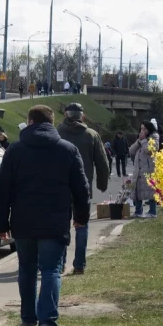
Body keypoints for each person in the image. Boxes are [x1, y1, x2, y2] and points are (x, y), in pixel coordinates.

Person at [0, 105, 90, 326]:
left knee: (26, 269)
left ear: (29, 122)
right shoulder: (68, 150)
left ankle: (28, 318)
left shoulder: (15, 151)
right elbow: (81, 188)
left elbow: (3, 189)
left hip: (23, 221)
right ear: (51, 122)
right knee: (51, 270)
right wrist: (81, 217)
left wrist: (1, 223)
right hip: (55, 221)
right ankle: (48, 322)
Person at [57, 102, 110, 274]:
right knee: (82, 225)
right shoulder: (92, 135)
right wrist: (102, 184)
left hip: (60, 187)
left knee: (62, 226)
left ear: (66, 115)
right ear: (83, 117)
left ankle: (61, 263)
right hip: (83, 187)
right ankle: (79, 265)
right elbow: (103, 163)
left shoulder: (56, 134)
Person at [129, 120, 159, 218]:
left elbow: (149, 150)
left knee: (151, 191)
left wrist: (144, 140)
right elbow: (131, 150)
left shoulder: (154, 137)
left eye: (144, 129)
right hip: (138, 170)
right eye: (141, 128)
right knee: (137, 190)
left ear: (149, 129)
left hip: (149, 169)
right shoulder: (141, 139)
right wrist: (139, 141)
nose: (142, 131)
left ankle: (152, 211)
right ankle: (138, 211)